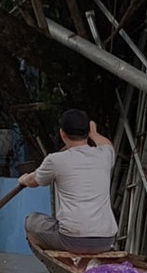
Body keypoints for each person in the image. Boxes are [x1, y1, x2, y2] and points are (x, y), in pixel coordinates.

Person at [21, 108, 118, 253]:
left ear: (62, 133)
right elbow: (107, 144)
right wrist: (94, 133)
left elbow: (33, 181)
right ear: (87, 132)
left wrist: (23, 179)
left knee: (31, 221)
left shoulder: (55, 160)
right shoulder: (105, 155)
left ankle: (57, 261)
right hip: (107, 239)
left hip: (72, 240)